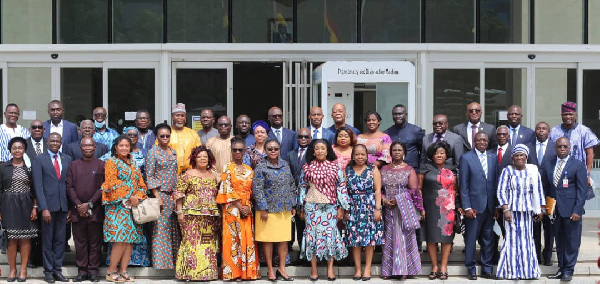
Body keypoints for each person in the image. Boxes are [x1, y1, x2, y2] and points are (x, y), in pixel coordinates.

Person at [298, 139, 350, 281]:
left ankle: (330, 269)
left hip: (330, 206)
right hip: (311, 206)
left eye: (323, 148)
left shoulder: (335, 167)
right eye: (317, 148)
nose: (320, 151)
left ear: (328, 151)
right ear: (313, 151)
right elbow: (302, 187)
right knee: (312, 237)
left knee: (330, 236)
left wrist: (342, 207)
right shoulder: (306, 167)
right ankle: (314, 270)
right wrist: (301, 207)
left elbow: (341, 187)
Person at [101, 135, 148, 282]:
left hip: (132, 208)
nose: (124, 148)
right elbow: (111, 184)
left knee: (129, 240)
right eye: (121, 145)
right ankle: (111, 272)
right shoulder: (111, 162)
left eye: (127, 146)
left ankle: (123, 271)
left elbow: (142, 186)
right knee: (119, 239)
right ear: (116, 147)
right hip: (116, 207)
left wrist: (138, 197)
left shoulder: (134, 164)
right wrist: (130, 196)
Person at [496, 144, 546, 280]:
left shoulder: (533, 171)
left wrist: (540, 209)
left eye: (521, 155)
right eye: (516, 155)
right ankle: (509, 272)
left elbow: (539, 190)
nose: (519, 158)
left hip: (527, 213)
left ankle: (528, 272)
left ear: (526, 157)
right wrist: (505, 209)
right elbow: (501, 191)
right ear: (513, 157)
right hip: (511, 213)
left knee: (527, 242)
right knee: (511, 241)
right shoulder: (507, 171)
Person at [542, 137, 587, 282]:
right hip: (555, 211)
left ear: (569, 148)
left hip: (571, 211)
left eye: (565, 147)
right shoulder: (549, 164)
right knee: (559, 241)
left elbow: (582, 190)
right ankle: (561, 269)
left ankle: (569, 270)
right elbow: (546, 188)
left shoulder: (578, 165)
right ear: (555, 148)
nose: (562, 149)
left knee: (572, 241)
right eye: (559, 146)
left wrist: (577, 210)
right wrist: (545, 208)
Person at [216, 137, 260, 281]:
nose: (237, 152)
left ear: (245, 151)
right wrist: (240, 206)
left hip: (247, 208)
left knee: (247, 239)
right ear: (231, 151)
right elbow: (225, 188)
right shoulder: (227, 168)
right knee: (233, 240)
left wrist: (248, 207)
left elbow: (253, 190)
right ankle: (233, 273)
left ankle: (246, 273)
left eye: (240, 150)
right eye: (234, 150)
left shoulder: (249, 169)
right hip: (232, 208)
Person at [173, 146, 220, 281]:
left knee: (207, 245)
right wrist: (180, 212)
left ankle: (207, 274)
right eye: (199, 157)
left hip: (209, 217)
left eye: (205, 157)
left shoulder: (213, 176)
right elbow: (179, 193)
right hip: (190, 216)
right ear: (194, 159)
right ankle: (189, 274)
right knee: (191, 243)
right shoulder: (188, 174)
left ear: (209, 159)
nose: (203, 159)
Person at [252, 139, 296, 281]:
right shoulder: (261, 166)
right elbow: (257, 189)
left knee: (283, 240)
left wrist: (293, 204)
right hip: (267, 211)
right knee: (268, 240)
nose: (273, 151)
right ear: (265, 150)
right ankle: (270, 270)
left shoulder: (285, 165)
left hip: (284, 209)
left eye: (275, 149)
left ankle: (282, 269)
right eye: (270, 149)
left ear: (279, 150)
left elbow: (291, 184)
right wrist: (263, 208)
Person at [380, 141, 423, 280]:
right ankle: (388, 270)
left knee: (404, 238)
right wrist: (384, 200)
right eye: (394, 150)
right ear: (390, 153)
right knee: (390, 237)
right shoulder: (384, 169)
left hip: (404, 208)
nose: (397, 152)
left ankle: (404, 269)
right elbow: (378, 189)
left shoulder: (409, 169)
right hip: (388, 208)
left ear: (404, 152)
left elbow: (414, 191)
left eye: (399, 150)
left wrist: (398, 200)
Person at [33, 132, 71, 283]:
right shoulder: (39, 159)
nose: (55, 143)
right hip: (48, 207)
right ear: (48, 142)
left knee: (60, 240)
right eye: (52, 141)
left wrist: (69, 207)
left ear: (61, 142)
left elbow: (68, 184)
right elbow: (38, 185)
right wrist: (44, 208)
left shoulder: (67, 159)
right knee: (47, 240)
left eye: (58, 141)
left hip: (63, 206)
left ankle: (58, 270)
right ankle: (48, 271)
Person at [459, 132, 497, 280]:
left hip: (490, 206)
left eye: (485, 140)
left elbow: (495, 183)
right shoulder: (466, 158)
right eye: (479, 140)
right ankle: (471, 268)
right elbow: (464, 185)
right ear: (474, 141)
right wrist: (466, 207)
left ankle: (487, 269)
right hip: (473, 207)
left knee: (489, 239)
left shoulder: (493, 158)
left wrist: (496, 207)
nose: (482, 142)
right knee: (471, 239)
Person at [66, 137, 105, 282]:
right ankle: (82, 271)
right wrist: (78, 204)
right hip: (77, 211)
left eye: (90, 145)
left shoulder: (102, 165)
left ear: (94, 147)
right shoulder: (73, 165)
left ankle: (93, 271)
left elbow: (103, 187)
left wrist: (89, 204)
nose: (88, 148)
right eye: (85, 146)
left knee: (95, 243)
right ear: (80, 148)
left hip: (95, 210)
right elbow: (69, 186)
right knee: (80, 242)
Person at [419, 141, 459, 280]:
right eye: (436, 153)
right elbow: (418, 189)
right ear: (432, 155)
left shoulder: (453, 168)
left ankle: (443, 266)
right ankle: (434, 266)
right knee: (431, 237)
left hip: (448, 208)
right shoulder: (425, 168)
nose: (439, 155)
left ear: (446, 154)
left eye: (441, 153)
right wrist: (421, 208)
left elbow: (457, 189)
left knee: (446, 237)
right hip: (430, 206)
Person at [0, 137, 38, 282]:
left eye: (20, 148)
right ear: (10, 150)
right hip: (8, 204)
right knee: (11, 240)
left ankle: (23, 270)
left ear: (24, 150)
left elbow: (34, 189)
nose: (17, 150)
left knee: (25, 238)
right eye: (14, 148)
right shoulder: (3, 167)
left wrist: (35, 207)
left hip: (26, 205)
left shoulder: (29, 167)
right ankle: (12, 270)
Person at [344, 144, 383, 281]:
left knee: (368, 240)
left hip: (369, 206)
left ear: (367, 156)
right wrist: (344, 209)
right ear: (353, 156)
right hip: (353, 206)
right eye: (357, 154)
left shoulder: (373, 169)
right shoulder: (347, 170)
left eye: (362, 154)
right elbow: (344, 191)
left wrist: (377, 209)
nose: (360, 157)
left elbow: (378, 190)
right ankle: (358, 269)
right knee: (355, 240)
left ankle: (367, 269)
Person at [145, 123, 180, 270]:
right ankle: (161, 263)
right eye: (162, 136)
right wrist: (157, 197)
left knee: (173, 229)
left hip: (173, 195)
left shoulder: (173, 152)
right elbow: (149, 176)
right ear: (157, 137)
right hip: (160, 195)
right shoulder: (153, 152)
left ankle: (173, 261)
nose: (165, 138)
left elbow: (175, 174)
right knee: (160, 229)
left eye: (167, 135)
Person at [549, 101, 599, 185]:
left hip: (579, 172)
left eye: (570, 114)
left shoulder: (584, 131)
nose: (568, 117)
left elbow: (590, 153)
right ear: (561, 116)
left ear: (575, 115)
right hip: (559, 173)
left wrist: (588, 173)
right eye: (565, 114)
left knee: (579, 196)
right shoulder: (554, 131)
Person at [530, 122, 557, 266]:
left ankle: (547, 257)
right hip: (533, 194)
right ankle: (536, 255)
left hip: (550, 194)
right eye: (538, 128)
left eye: (544, 128)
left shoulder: (555, 147)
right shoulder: (529, 146)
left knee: (549, 227)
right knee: (535, 226)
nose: (541, 131)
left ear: (549, 131)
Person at [285, 128, 311, 255]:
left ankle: (304, 254)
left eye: (306, 137)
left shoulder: (313, 155)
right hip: (291, 193)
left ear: (310, 139)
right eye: (301, 137)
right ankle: (288, 253)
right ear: (297, 138)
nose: (303, 139)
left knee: (303, 226)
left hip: (306, 195)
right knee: (289, 224)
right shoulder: (290, 154)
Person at [24, 120, 46, 268]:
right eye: (34, 127)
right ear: (30, 129)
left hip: (47, 191)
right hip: (28, 192)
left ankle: (42, 258)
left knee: (45, 228)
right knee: (31, 227)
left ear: (44, 130)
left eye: (40, 127)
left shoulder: (51, 143)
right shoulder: (23, 145)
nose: (37, 129)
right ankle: (31, 259)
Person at [384, 104, 424, 169]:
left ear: (406, 114)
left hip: (412, 168)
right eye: (395, 114)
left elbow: (423, 152)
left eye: (400, 114)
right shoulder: (387, 133)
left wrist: (421, 170)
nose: (397, 116)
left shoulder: (416, 131)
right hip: (393, 169)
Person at [169, 103, 202, 174]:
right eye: (177, 115)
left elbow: (199, 153)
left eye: (182, 116)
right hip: (171, 174)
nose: (180, 118)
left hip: (191, 173)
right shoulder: (166, 133)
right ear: (172, 116)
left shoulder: (193, 133)